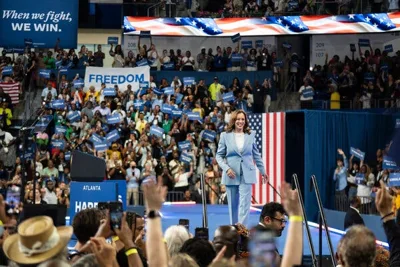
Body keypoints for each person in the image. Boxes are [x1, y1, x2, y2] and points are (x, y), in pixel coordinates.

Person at [216, 109, 267, 227]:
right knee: (233, 206)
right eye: (238, 119)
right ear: (233, 121)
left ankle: (242, 232)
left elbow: (256, 155)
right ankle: (234, 230)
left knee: (245, 204)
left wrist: (263, 171)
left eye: (242, 119)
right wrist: (226, 168)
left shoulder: (250, 135)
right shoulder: (225, 136)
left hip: (247, 173)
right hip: (231, 174)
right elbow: (219, 156)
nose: (240, 121)